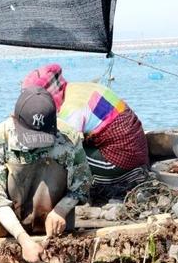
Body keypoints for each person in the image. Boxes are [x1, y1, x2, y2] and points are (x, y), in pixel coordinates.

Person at [0, 86, 92, 263]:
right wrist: (24, 240)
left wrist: (61, 210)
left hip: (58, 234)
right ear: (13, 119)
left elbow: (82, 184)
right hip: (13, 232)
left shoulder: (69, 139)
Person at [22, 64, 149, 201]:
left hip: (122, 158)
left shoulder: (72, 110)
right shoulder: (76, 88)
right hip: (136, 147)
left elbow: (66, 148)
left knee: (59, 156)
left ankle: (81, 192)